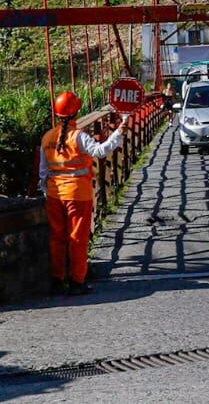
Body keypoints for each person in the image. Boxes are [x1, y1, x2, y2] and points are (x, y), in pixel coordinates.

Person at [39, 91, 127, 296]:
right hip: (78, 194)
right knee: (77, 238)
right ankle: (77, 281)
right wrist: (118, 134)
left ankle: (56, 279)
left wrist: (46, 191)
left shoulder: (47, 137)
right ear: (76, 113)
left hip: (54, 194)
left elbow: (43, 171)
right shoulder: (78, 136)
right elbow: (100, 151)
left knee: (57, 238)